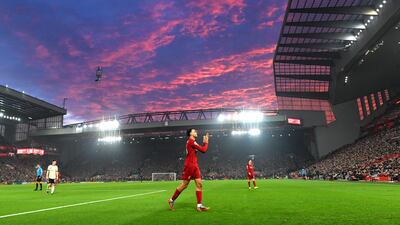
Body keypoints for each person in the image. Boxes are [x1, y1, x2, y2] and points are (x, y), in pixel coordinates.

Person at [168, 128, 210, 211]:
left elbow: (198, 149)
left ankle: (199, 205)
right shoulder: (191, 141)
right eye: (194, 131)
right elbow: (203, 150)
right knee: (184, 185)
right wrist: (206, 142)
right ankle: (171, 200)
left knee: (199, 184)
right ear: (190, 134)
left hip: (195, 165)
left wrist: (204, 143)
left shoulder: (193, 141)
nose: (196, 132)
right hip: (190, 165)